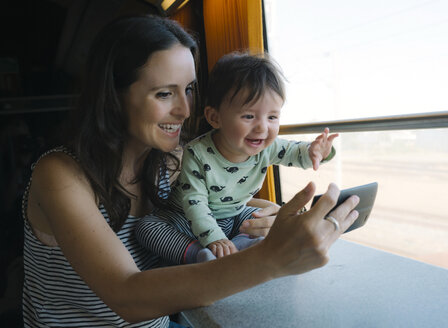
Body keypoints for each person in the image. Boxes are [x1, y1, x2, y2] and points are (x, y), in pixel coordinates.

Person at [22, 15, 360, 327]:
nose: (185, 110)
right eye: (164, 93)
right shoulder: (61, 175)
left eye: (189, 90)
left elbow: (214, 201)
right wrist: (272, 259)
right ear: (113, 96)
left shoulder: (170, 159)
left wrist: (270, 213)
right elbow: (125, 294)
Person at [136, 53, 338, 263]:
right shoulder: (197, 152)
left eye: (272, 117)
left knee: (262, 220)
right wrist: (213, 238)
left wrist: (317, 152)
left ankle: (243, 246)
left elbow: (296, 152)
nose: (262, 127)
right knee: (147, 228)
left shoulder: (267, 147)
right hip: (184, 218)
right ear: (215, 117)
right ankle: (198, 254)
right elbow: (194, 202)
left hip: (234, 216)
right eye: (249, 116)